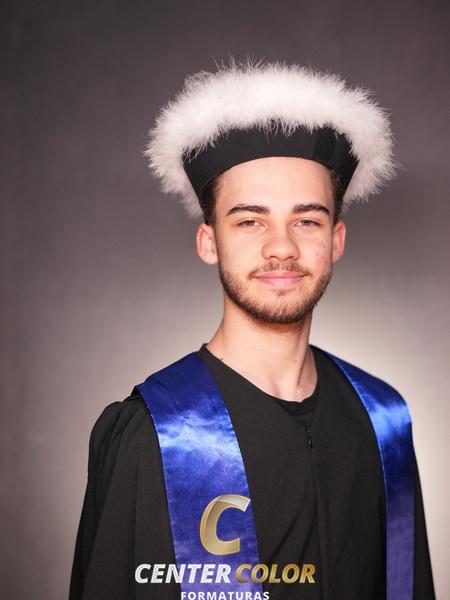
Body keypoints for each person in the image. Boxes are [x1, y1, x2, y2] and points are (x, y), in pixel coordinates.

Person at [69, 59, 435, 600]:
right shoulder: (158, 436)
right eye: (249, 220)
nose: (281, 247)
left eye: (306, 220)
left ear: (335, 240)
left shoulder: (382, 422)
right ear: (209, 242)